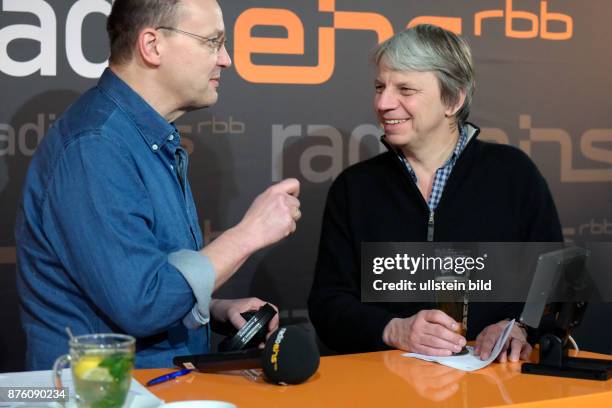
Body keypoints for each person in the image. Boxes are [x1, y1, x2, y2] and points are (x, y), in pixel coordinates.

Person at [16, 0, 302, 370]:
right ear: (152, 46)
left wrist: (213, 308)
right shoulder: (97, 145)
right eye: (212, 42)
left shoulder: (139, 138)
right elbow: (142, 303)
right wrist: (248, 234)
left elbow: (146, 275)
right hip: (100, 392)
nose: (226, 59)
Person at [308, 25, 562, 362]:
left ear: (454, 99)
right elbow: (328, 305)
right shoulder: (354, 188)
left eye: (405, 89)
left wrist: (519, 327)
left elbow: (554, 288)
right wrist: (393, 329)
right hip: (384, 387)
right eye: (380, 87)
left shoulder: (514, 175)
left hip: (493, 386)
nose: (383, 103)